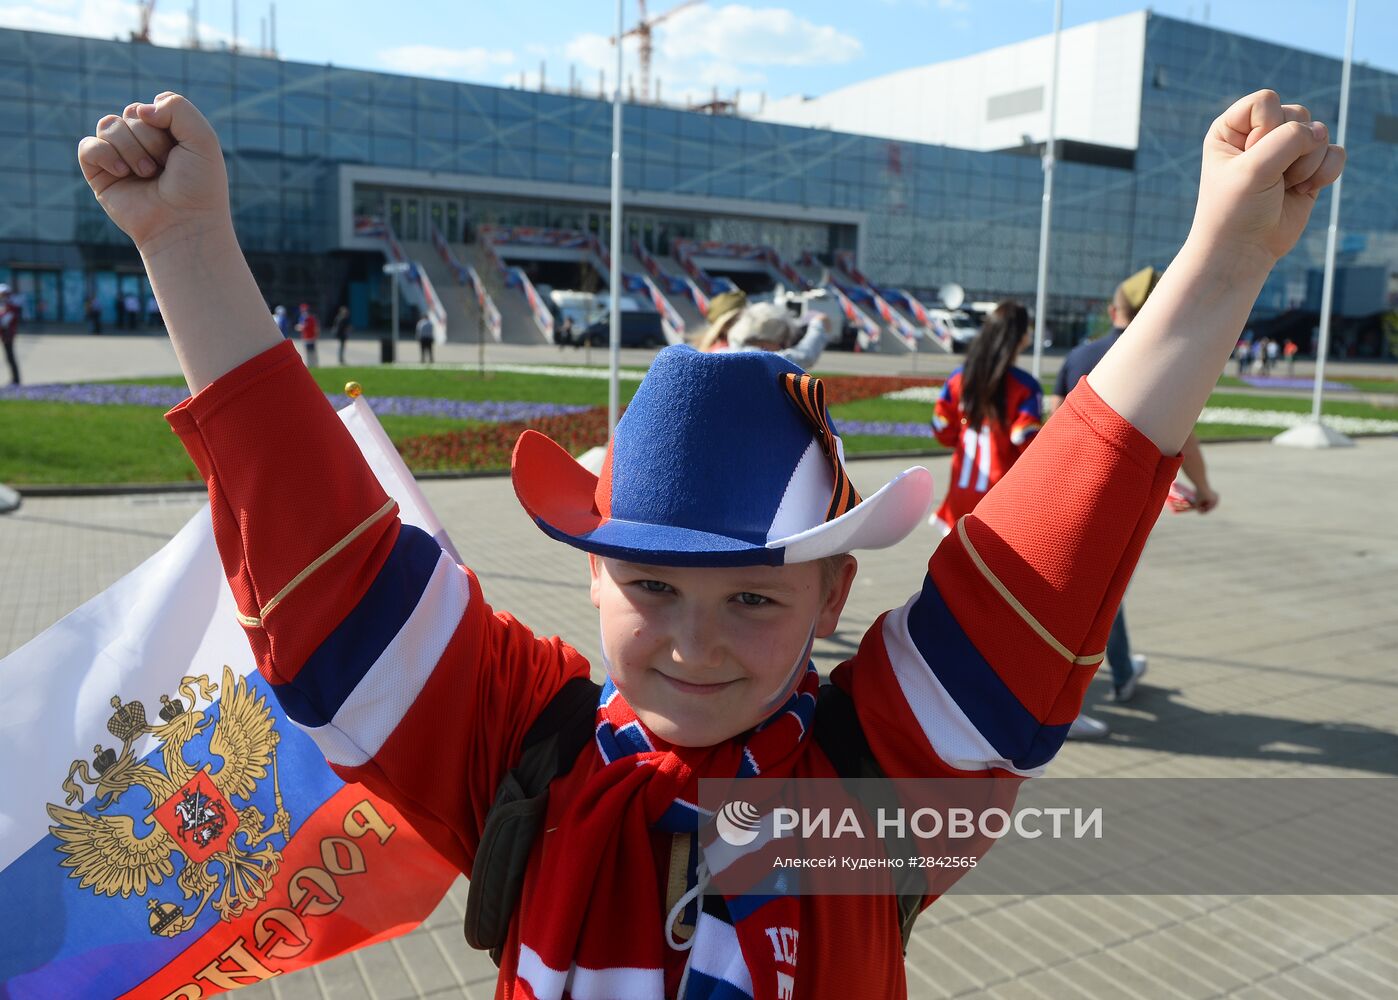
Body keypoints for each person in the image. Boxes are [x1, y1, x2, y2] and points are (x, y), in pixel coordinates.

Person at [78, 88, 1341, 997]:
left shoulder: (870, 789)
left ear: (837, 588)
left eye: (754, 599)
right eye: (649, 583)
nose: (690, 641)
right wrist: (188, 249)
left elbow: (1040, 572)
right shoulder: (528, 747)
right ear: (591, 569)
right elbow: (328, 572)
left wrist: (1220, 264)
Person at [1049, 265, 1223, 739]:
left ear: (1113, 312)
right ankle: (1068, 699)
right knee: (1100, 594)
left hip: (1068, 491)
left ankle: (1116, 674)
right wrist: (1203, 490)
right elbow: (1186, 437)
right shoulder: (1170, 360)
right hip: (1125, 503)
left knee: (1085, 592)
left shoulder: (1081, 354)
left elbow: (1055, 429)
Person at [928, 300, 1040, 538]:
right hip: (999, 499)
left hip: (960, 493)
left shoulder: (959, 378)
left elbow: (942, 429)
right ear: (1020, 337)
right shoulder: (1025, 386)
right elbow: (1025, 439)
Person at [701, 300, 828, 371]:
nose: (783, 349)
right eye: (782, 344)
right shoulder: (763, 361)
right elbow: (806, 355)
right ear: (768, 340)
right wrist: (818, 324)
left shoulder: (718, 352)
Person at [0, 283, 19, 385]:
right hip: (5, 335)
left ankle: (16, 380)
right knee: (9, 358)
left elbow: (5, 322)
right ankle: (15, 380)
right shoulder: (5, 306)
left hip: (8, 335)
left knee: (10, 358)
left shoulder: (10, 306)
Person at [295, 302, 318, 366]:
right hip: (309, 337)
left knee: (309, 352)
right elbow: (316, 328)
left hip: (308, 338)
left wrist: (298, 327)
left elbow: (304, 327)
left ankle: (311, 364)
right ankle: (313, 364)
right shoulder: (311, 318)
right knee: (311, 352)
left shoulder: (307, 319)